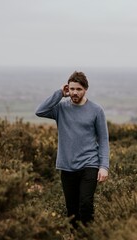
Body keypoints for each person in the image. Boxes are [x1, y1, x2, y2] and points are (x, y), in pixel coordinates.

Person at [35, 71, 109, 228]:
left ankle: (88, 235)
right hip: (67, 166)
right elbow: (39, 111)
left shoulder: (96, 110)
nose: (75, 93)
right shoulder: (61, 108)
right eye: (72, 89)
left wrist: (103, 166)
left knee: (86, 204)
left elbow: (103, 139)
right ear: (68, 89)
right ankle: (76, 236)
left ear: (85, 90)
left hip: (89, 164)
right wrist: (59, 93)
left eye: (79, 89)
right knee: (72, 210)